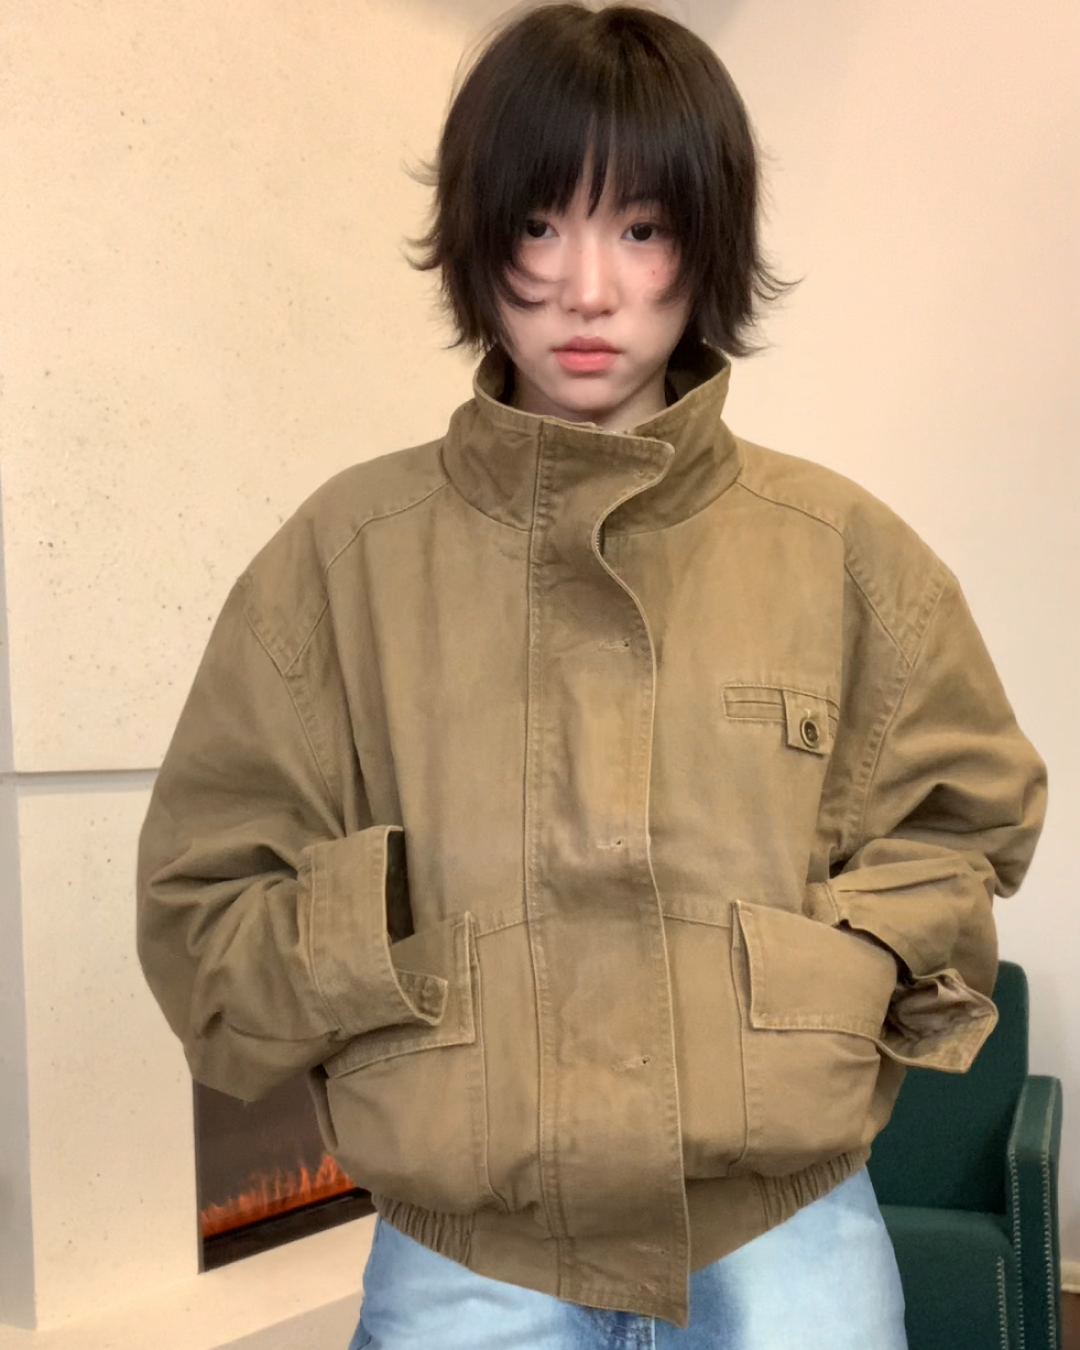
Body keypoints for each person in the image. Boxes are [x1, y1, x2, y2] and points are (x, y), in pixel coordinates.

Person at [136, 4, 1048, 1347]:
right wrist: (385, 945)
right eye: (538, 225)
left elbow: (963, 824)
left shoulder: (846, 554)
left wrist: (836, 976)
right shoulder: (340, 561)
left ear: (707, 245)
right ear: (477, 239)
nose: (587, 288)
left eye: (641, 228)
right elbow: (202, 907)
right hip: (465, 1251)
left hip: (787, 1234)